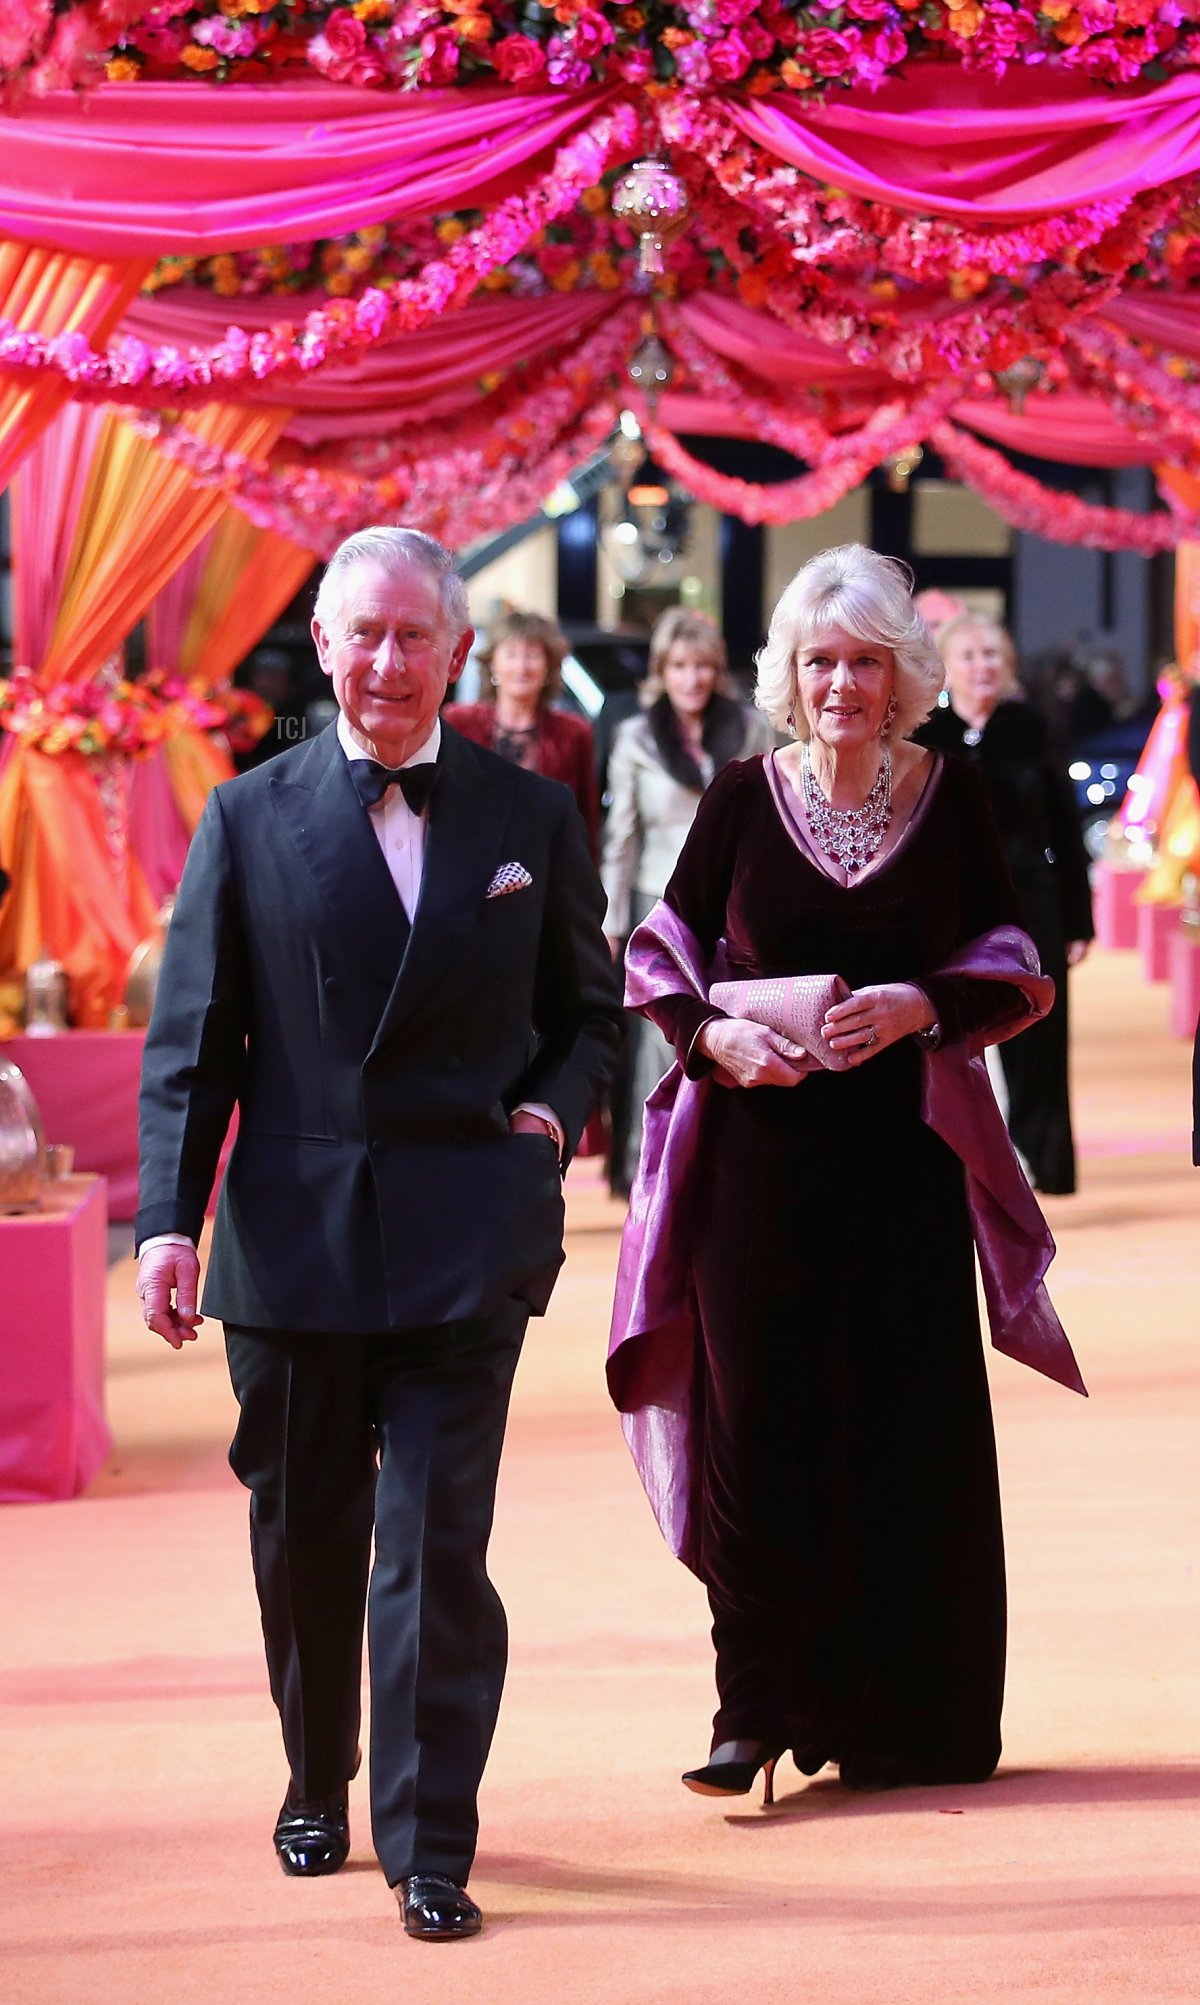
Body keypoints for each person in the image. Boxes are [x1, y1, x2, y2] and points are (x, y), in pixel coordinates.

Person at [136, 527, 620, 1940]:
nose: (391, 663)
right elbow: (194, 1045)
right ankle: (314, 1771)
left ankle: (430, 1842)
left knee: (433, 1545)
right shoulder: (246, 816)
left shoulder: (528, 818)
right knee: (306, 1535)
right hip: (293, 1239)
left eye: (418, 636)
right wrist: (169, 1219)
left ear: (458, 651)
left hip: (467, 1229)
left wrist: (545, 1123)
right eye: (367, 635)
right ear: (328, 648)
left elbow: (584, 1015)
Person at [606, 545, 1083, 1807]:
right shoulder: (735, 799)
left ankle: (907, 1713)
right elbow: (659, 954)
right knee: (758, 1427)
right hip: (756, 1169)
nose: (842, 684)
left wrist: (922, 1000)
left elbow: (1013, 949)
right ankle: (753, 1708)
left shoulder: (955, 792)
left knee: (904, 1426)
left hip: (904, 1166)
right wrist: (717, 1036)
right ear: (789, 675)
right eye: (820, 661)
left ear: (902, 674)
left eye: (866, 662)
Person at [600, 607, 774, 1194]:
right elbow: (620, 835)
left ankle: (719, 1165)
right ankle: (650, 1166)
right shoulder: (634, 737)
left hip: (733, 904)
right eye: (680, 666)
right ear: (661, 671)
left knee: (732, 1028)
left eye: (702, 666)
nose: (692, 678)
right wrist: (612, 920)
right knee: (659, 1037)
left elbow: (768, 823)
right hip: (658, 902)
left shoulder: (750, 730)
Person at [920, 615, 1094, 1195]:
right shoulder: (929, 735)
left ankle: (1045, 1159)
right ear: (947, 667)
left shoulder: (1032, 728)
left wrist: (1078, 918)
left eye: (992, 655)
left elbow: (1066, 830)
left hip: (1031, 900)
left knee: (1041, 1036)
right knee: (957, 1029)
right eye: (969, 655)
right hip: (953, 905)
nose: (982, 666)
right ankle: (966, 1160)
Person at [449, 611, 599, 856]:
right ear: (492, 663)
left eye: (532, 655)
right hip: (470, 865)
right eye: (511, 654)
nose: (521, 667)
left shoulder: (574, 733)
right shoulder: (459, 723)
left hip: (548, 870)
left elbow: (586, 822)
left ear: (548, 666)